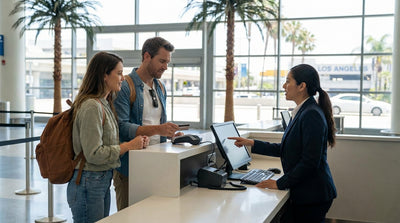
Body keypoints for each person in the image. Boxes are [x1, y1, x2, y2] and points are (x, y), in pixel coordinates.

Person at [229, 64, 337, 223]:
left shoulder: (311, 114)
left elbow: (310, 162)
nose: (284, 86)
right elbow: (286, 149)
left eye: (288, 81)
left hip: (313, 194)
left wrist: (279, 183)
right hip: (308, 192)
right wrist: (251, 142)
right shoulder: (303, 111)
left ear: (302, 86)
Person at [67, 51, 150, 223]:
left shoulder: (104, 103)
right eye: (119, 73)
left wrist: (136, 143)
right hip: (89, 182)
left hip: (100, 180)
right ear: (104, 75)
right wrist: (127, 146)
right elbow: (94, 153)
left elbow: (106, 143)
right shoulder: (92, 106)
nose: (122, 78)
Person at [113, 37, 183, 210]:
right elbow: (121, 126)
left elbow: (160, 123)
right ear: (146, 56)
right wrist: (158, 129)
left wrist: (170, 134)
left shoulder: (160, 87)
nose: (165, 67)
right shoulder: (125, 86)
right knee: (128, 217)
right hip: (130, 167)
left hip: (156, 164)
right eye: (162, 61)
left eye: (167, 62)